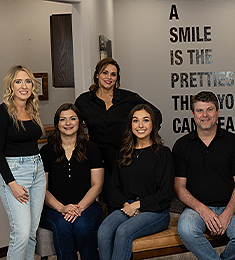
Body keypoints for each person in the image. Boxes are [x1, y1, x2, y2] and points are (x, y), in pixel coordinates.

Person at [173, 91, 235, 260]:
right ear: (193, 114)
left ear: (218, 112)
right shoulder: (181, 145)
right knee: (186, 230)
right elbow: (179, 188)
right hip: (195, 209)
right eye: (200, 110)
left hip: (231, 207)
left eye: (210, 109)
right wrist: (203, 210)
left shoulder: (233, 142)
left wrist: (227, 214)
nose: (205, 115)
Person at [74, 57, 162, 213]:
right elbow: (72, 123)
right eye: (105, 73)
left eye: (113, 74)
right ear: (97, 75)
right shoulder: (84, 100)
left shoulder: (129, 98)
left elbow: (155, 114)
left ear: (117, 78)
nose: (109, 77)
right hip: (98, 161)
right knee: (111, 199)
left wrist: (141, 138)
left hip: (126, 158)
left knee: (128, 198)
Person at [97, 104, 174, 260]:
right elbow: (115, 188)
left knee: (123, 232)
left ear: (153, 124)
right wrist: (127, 206)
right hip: (127, 207)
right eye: (135, 120)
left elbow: (165, 194)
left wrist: (137, 206)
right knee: (103, 231)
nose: (140, 125)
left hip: (156, 212)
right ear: (130, 124)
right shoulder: (124, 153)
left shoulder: (163, 154)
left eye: (145, 120)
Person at [39, 103, 104, 260]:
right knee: (62, 225)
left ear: (79, 122)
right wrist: (62, 208)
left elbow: (97, 185)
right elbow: (43, 188)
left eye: (72, 119)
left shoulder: (91, 148)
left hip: (88, 206)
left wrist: (79, 208)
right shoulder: (46, 151)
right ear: (57, 123)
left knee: (82, 225)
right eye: (63, 119)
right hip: (53, 209)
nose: (68, 123)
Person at [0, 65, 46, 260]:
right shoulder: (3, 112)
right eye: (18, 81)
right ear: (11, 85)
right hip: (15, 174)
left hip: (37, 170)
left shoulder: (32, 109)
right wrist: (12, 184)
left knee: (32, 232)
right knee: (21, 233)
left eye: (28, 81)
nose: (24, 85)